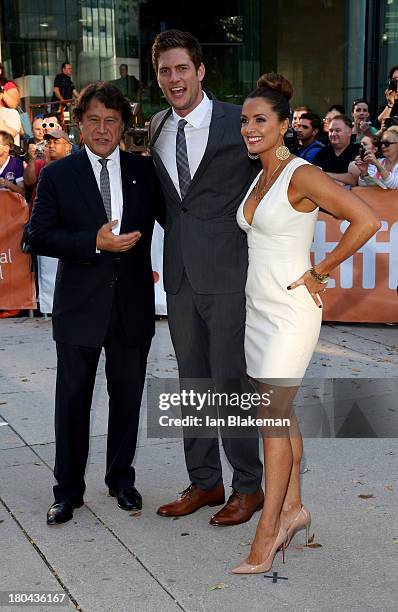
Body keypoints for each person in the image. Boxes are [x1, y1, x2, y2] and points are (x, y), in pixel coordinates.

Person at [233, 73, 380, 574]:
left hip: (292, 313)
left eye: (260, 120)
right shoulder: (260, 174)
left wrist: (320, 269)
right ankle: (294, 509)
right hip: (258, 310)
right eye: (245, 121)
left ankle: (268, 532)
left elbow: (366, 220)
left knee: (271, 423)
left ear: (281, 125)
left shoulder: (301, 173)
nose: (250, 129)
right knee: (279, 415)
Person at [28, 81, 165, 526]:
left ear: (123, 125)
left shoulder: (144, 171)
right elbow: (36, 236)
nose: (102, 129)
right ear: (79, 124)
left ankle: (121, 480)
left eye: (111, 121)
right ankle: (67, 491)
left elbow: (181, 220)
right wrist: (93, 241)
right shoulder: (57, 174)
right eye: (93, 121)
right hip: (78, 309)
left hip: (132, 307)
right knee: (72, 403)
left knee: (126, 399)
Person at [150, 29, 263, 526]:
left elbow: (275, 172)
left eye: (181, 68)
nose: (174, 79)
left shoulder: (237, 120)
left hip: (228, 272)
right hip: (178, 274)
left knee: (230, 380)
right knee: (192, 380)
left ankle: (248, 486)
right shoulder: (155, 126)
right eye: (164, 71)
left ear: (200, 71)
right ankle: (204, 481)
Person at [0, 130, 24, 195]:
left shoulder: (17, 163)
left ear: (6, 148)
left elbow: (22, 191)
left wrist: (8, 184)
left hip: (10, 203)